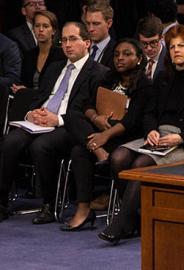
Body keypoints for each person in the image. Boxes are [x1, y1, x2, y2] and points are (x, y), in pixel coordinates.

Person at [97, 24, 184, 243]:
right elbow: (150, 113)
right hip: (159, 136)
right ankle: (134, 218)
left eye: (181, 46)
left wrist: (182, 137)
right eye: (172, 47)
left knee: (141, 164)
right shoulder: (163, 77)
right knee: (118, 157)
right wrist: (151, 130)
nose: (176, 51)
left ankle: (122, 223)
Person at [0, 22, 107, 223]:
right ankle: (1, 203)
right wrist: (32, 113)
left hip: (68, 126)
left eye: (73, 39)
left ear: (87, 42)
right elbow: (38, 97)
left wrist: (56, 119)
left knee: (42, 146)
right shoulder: (55, 67)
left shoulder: (98, 73)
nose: (67, 44)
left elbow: (89, 111)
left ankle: (48, 204)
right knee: (10, 142)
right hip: (40, 121)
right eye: (64, 40)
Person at [61, 39, 151, 231]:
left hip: (126, 136)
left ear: (139, 58)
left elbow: (132, 121)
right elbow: (87, 104)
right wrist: (96, 119)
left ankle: (86, 208)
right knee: (71, 117)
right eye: (117, 54)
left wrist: (106, 135)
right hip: (99, 132)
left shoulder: (144, 84)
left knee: (79, 150)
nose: (120, 58)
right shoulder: (108, 77)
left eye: (127, 54)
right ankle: (84, 207)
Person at [11, 10, 65, 92]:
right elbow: (24, 83)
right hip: (29, 102)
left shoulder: (61, 55)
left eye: (45, 26)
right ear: (33, 29)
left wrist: (27, 91)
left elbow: (56, 90)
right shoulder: (28, 55)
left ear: (53, 31)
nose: (41, 29)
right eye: (37, 26)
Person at [84, 3, 115, 68]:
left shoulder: (116, 51)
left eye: (96, 24)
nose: (90, 29)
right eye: (88, 23)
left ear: (109, 23)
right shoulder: (81, 47)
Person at [137, 16, 166, 81]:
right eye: (144, 43)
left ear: (162, 38)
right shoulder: (135, 58)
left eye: (153, 42)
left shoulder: (170, 60)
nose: (149, 48)